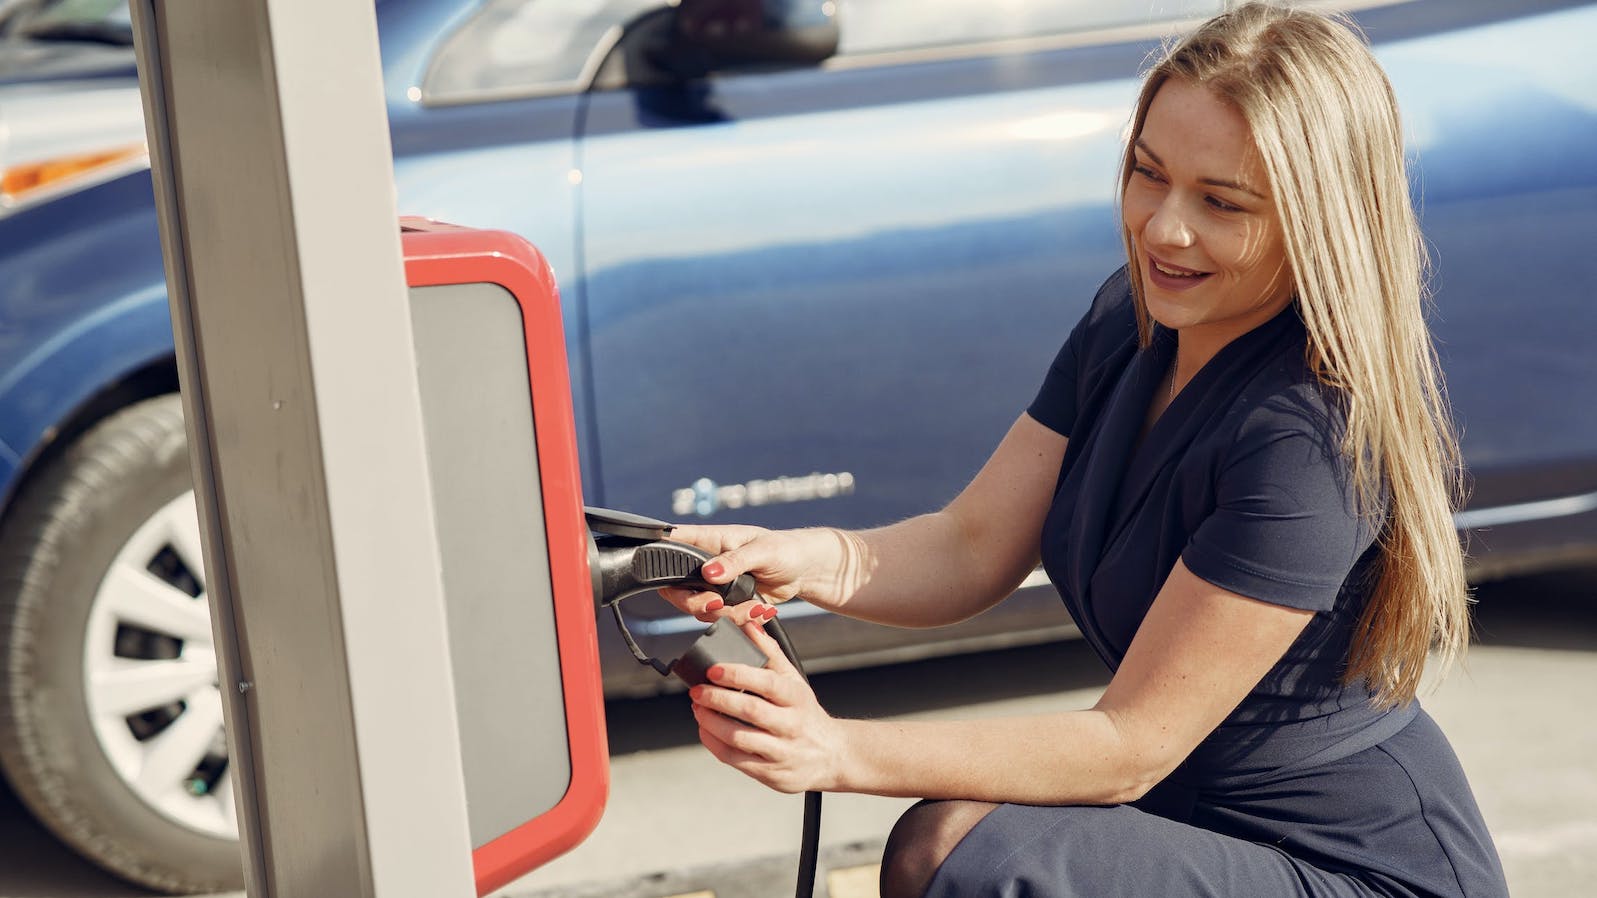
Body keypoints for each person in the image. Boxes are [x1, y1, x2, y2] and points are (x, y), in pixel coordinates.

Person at [659, 3, 1510, 895]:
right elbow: (973, 545)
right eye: (1148, 174)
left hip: (1351, 868)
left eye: (1220, 202)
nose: (1162, 228)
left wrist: (838, 749)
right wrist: (800, 559)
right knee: (950, 844)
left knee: (965, 854)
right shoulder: (1131, 320)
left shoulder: (1311, 435)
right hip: (1188, 818)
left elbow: (1127, 747)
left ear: (1318, 220)